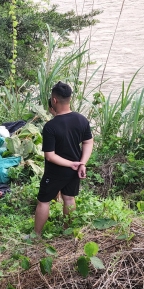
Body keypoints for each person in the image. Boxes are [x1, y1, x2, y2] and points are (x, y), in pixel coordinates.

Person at [34, 81, 93, 236]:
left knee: (44, 201)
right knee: (68, 199)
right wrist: (82, 163)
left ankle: (37, 235)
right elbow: (88, 142)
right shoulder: (82, 120)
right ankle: (67, 232)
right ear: (70, 99)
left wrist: (71, 164)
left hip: (55, 172)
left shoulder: (50, 127)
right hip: (75, 170)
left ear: (54, 100)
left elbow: (50, 156)